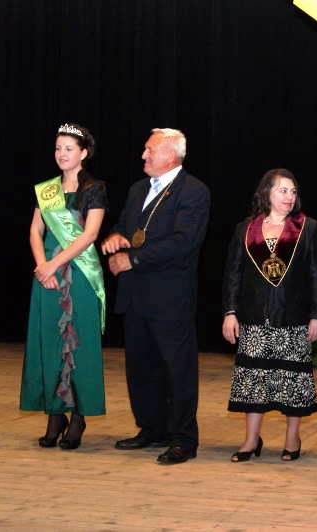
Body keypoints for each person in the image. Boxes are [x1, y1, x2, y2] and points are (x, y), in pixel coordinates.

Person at [101, 128, 210, 465]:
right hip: (135, 295)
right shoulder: (138, 189)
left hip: (169, 297)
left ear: (171, 155)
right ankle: (151, 428)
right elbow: (125, 226)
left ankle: (183, 439)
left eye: (150, 150)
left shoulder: (193, 191)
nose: (143, 155)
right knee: (140, 366)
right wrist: (115, 237)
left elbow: (183, 242)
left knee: (177, 369)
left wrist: (132, 259)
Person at [222, 168, 317, 463]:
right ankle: (250, 440)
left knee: (293, 381)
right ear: (266, 193)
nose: (289, 196)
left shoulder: (308, 228)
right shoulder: (246, 229)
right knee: (252, 381)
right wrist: (230, 312)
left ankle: (292, 438)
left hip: (294, 317)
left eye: (293, 191)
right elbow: (233, 274)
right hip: (254, 317)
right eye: (283, 190)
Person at [20, 122, 108, 450]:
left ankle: (79, 415)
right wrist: (43, 266)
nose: (61, 154)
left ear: (83, 153)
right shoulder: (47, 190)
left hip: (79, 273)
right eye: (58, 148)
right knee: (50, 341)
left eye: (68, 148)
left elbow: (90, 234)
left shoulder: (94, 188)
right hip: (48, 275)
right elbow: (35, 230)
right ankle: (55, 414)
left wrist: (53, 264)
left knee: (79, 342)